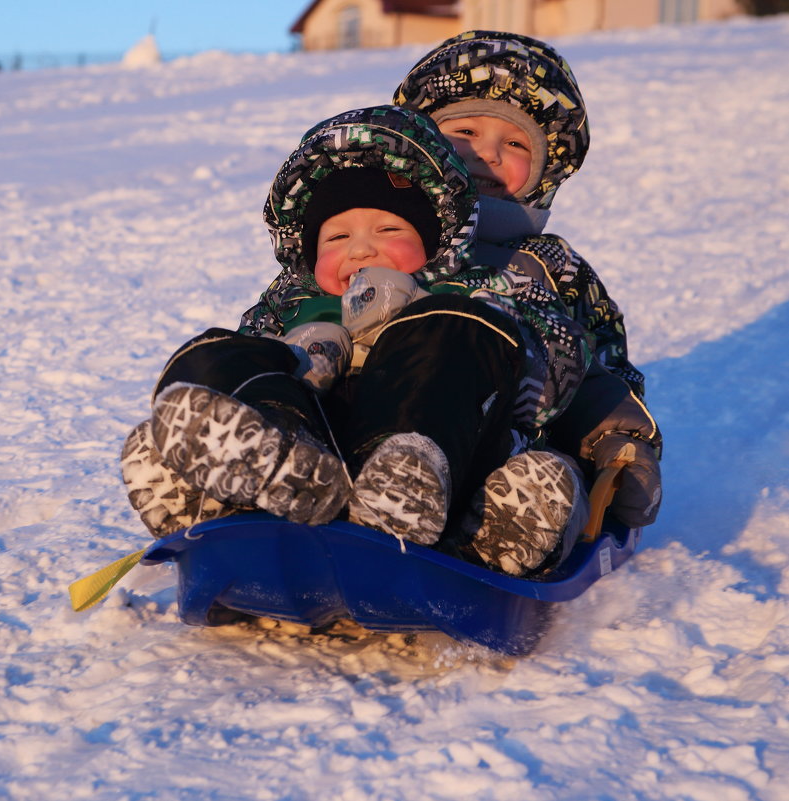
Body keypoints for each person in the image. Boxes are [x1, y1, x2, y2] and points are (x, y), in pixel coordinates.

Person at [122, 104, 593, 576]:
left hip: (451, 457)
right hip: (318, 459)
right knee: (220, 352)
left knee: (459, 328)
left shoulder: (476, 289)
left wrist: (423, 314)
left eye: (389, 230)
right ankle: (257, 468)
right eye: (337, 236)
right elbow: (244, 357)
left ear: (434, 242)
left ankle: (408, 480)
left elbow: (558, 368)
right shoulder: (289, 304)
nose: (361, 248)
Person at [392, 30, 662, 531]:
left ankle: (519, 520)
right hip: (371, 433)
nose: (486, 153)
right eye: (465, 132)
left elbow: (599, 370)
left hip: (503, 454)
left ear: (546, 169)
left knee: (541, 468)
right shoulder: (376, 237)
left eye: (514, 142)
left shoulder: (551, 268)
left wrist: (619, 444)